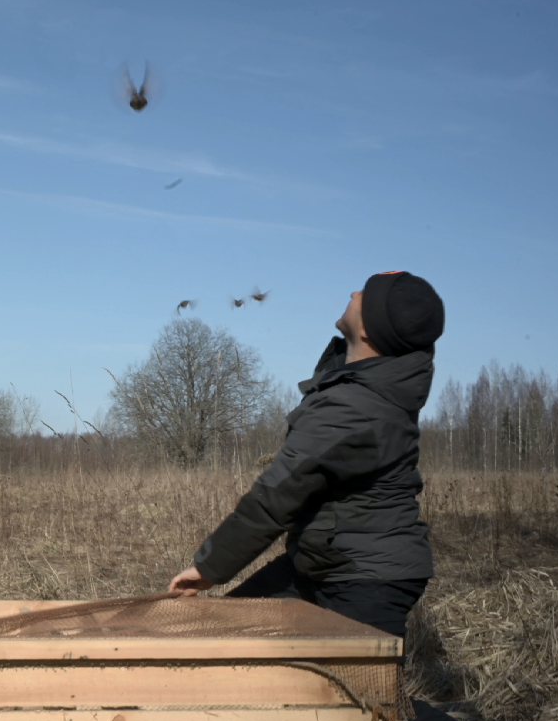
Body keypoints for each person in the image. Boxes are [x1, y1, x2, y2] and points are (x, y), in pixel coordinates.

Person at [169, 270, 444, 653]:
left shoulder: (356, 406)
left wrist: (208, 568)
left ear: (370, 330)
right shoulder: (365, 384)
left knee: (366, 706)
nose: (351, 291)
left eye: (363, 294)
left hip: (364, 579)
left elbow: (278, 494)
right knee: (230, 641)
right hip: (324, 562)